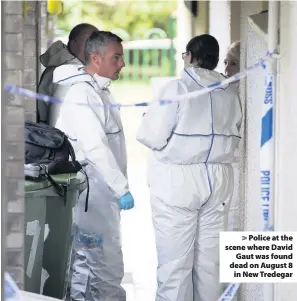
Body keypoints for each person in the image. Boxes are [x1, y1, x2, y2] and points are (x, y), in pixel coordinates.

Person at [136, 34, 242, 301]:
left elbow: (151, 135)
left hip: (178, 183)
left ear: (191, 57)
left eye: (184, 55)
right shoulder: (229, 91)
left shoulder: (177, 89)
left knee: (175, 266)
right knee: (210, 266)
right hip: (218, 182)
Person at [53, 31, 134, 301]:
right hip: (93, 194)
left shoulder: (98, 91)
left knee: (86, 264)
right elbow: (96, 147)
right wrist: (121, 188)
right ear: (96, 58)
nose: (122, 64)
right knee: (105, 266)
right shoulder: (83, 95)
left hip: (98, 193)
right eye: (116, 57)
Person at [37, 23, 98, 125]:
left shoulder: (77, 69)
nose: (94, 48)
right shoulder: (62, 71)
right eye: (89, 42)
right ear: (73, 43)